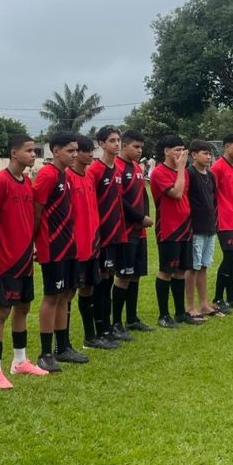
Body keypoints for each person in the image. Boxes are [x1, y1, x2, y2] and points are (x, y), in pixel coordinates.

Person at [0, 136, 51, 387]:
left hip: (24, 258)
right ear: (14, 153)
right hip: (6, 259)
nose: (33, 155)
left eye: (34, 151)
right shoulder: (1, 181)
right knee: (2, 311)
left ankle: (20, 361)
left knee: (23, 307)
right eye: (29, 150)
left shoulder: (27, 181)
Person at [33, 132, 84, 372]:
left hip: (68, 244)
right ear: (55, 151)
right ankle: (45, 353)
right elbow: (36, 211)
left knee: (66, 294)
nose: (75, 155)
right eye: (70, 151)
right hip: (52, 246)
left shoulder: (66, 175)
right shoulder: (47, 175)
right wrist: (34, 242)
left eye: (76, 150)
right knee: (52, 295)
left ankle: (62, 346)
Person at [70, 135, 117, 350]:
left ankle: (93, 335)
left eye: (91, 150)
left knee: (90, 287)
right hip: (75, 247)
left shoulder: (87, 177)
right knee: (69, 293)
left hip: (93, 244)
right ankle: (69, 342)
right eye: (84, 151)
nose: (90, 154)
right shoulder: (69, 177)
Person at [87, 126, 128, 343]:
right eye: (112, 140)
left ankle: (108, 326)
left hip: (116, 234)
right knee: (100, 282)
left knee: (110, 279)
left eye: (118, 139)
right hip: (101, 236)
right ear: (102, 144)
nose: (117, 144)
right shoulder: (95, 170)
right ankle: (100, 328)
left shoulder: (118, 170)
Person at [149, 135, 195, 328]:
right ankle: (163, 315)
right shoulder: (159, 173)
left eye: (183, 150)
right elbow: (176, 193)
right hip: (168, 229)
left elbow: (184, 194)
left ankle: (180, 313)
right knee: (166, 271)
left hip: (185, 227)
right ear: (166, 151)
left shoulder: (183, 173)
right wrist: (182, 169)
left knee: (181, 270)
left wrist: (181, 170)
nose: (181, 154)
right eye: (177, 150)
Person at [113, 130, 155, 333]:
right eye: (135, 147)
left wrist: (145, 216)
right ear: (124, 146)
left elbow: (143, 194)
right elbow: (119, 199)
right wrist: (139, 218)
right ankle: (116, 322)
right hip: (125, 231)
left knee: (136, 274)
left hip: (140, 231)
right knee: (124, 275)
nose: (139, 151)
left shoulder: (137, 167)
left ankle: (132, 318)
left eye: (141, 147)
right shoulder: (117, 167)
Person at [184, 140, 223, 319]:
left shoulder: (211, 175)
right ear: (194, 155)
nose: (208, 157)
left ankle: (204, 304)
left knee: (204, 266)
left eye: (209, 154)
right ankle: (190, 306)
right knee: (193, 267)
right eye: (204, 153)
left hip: (209, 227)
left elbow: (213, 200)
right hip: (195, 227)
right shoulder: (189, 174)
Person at [211, 134, 233, 311]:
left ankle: (232, 297)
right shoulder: (217, 167)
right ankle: (218, 298)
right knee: (229, 256)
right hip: (223, 220)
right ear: (226, 147)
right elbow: (211, 193)